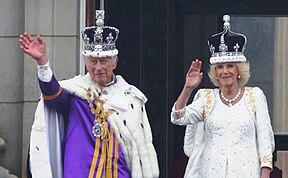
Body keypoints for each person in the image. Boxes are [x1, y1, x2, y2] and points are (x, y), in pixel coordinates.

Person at [19, 10, 159, 178]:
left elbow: (138, 148)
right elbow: (53, 96)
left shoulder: (131, 98)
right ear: (86, 63)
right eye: (93, 61)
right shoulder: (76, 93)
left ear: (114, 63)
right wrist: (43, 64)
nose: (98, 67)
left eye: (104, 61)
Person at [170, 15, 275, 178]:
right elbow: (178, 117)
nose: (225, 71)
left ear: (239, 70)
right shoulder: (206, 98)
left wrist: (265, 173)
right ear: (215, 73)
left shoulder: (255, 96)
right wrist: (188, 88)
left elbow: (265, 141)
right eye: (220, 67)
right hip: (211, 172)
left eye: (230, 66)